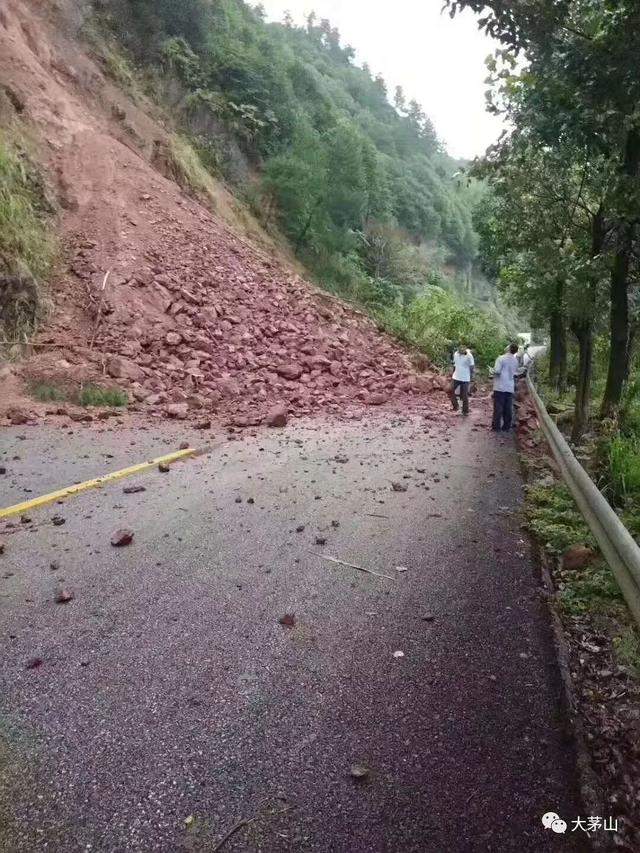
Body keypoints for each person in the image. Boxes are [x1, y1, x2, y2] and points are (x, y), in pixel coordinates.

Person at [492, 343, 520, 431]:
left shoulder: (501, 358)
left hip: (500, 386)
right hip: (509, 386)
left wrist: (491, 371)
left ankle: (496, 427)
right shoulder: (515, 360)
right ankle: (506, 426)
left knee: (498, 407)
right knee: (508, 407)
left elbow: (497, 371)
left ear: (509, 349)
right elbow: (515, 373)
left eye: (507, 346)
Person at [450, 343, 475, 415]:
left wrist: (471, 376)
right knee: (450, 390)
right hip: (456, 376)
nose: (461, 349)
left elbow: (472, 367)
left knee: (464, 395)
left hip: (465, 378)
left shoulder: (469, 356)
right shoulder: (455, 354)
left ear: (465, 348)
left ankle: (465, 411)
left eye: (463, 348)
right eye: (460, 348)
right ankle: (455, 406)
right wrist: (452, 373)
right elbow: (455, 364)